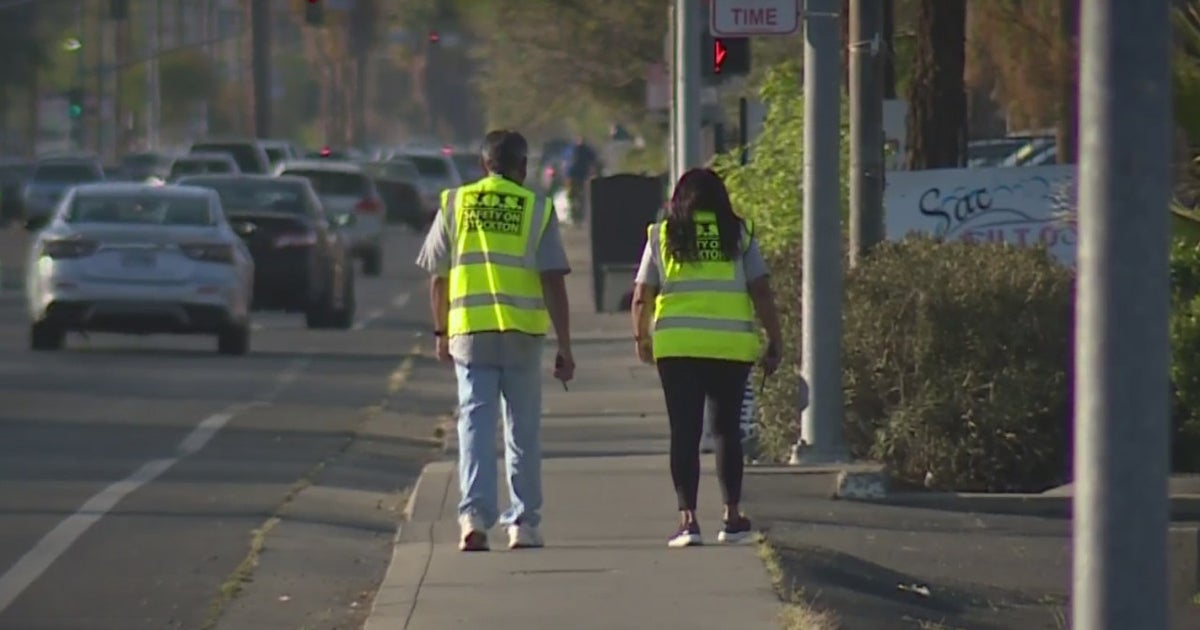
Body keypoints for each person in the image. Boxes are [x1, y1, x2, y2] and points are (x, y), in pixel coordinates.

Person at [415, 129, 575, 552]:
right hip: (522, 334)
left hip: (470, 332)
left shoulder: (455, 202)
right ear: (522, 167)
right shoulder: (537, 208)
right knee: (523, 432)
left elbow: (438, 277)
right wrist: (565, 344)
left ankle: (473, 519)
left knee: (475, 426)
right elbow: (553, 280)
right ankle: (522, 523)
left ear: (484, 165)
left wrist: (440, 332)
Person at [630, 167, 783, 548]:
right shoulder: (738, 234)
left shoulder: (662, 234)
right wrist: (775, 338)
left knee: (685, 430)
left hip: (677, 347)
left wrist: (641, 337)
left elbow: (641, 295)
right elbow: (760, 291)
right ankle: (732, 518)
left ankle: (688, 522)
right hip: (730, 345)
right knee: (726, 430)